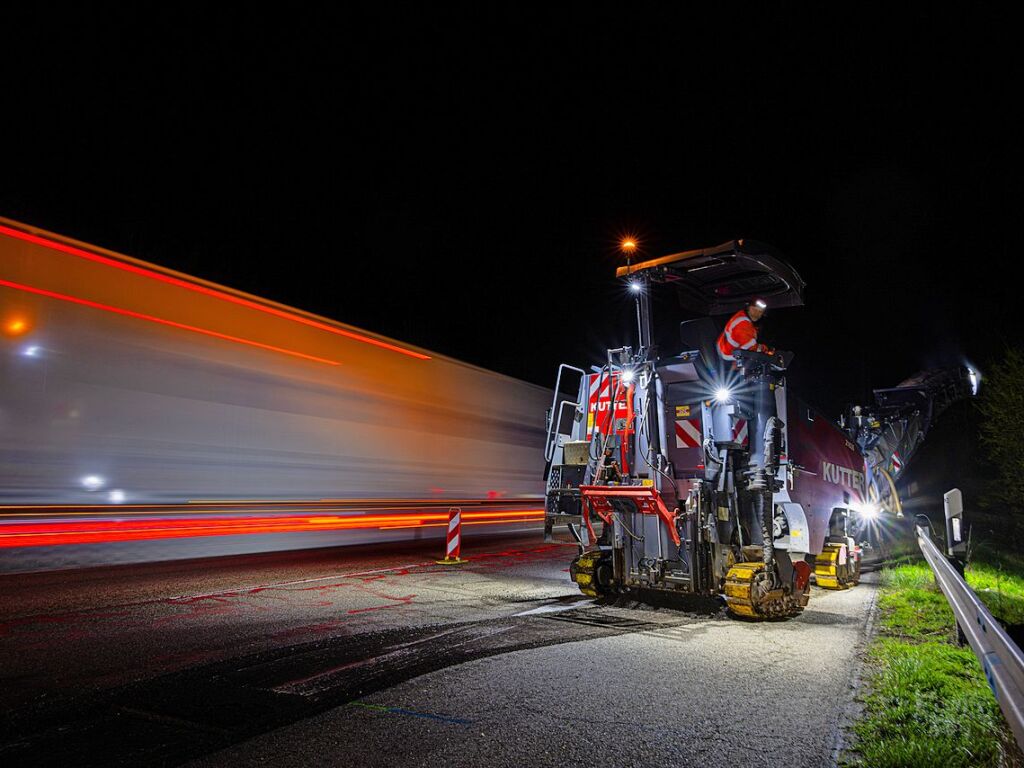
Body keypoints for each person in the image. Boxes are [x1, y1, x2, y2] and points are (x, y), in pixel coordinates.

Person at [716, 298, 773, 362]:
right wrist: (766, 349)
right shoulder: (743, 323)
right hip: (729, 357)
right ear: (748, 308)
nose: (756, 314)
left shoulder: (742, 316)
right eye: (754, 309)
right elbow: (750, 348)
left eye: (760, 312)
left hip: (728, 352)